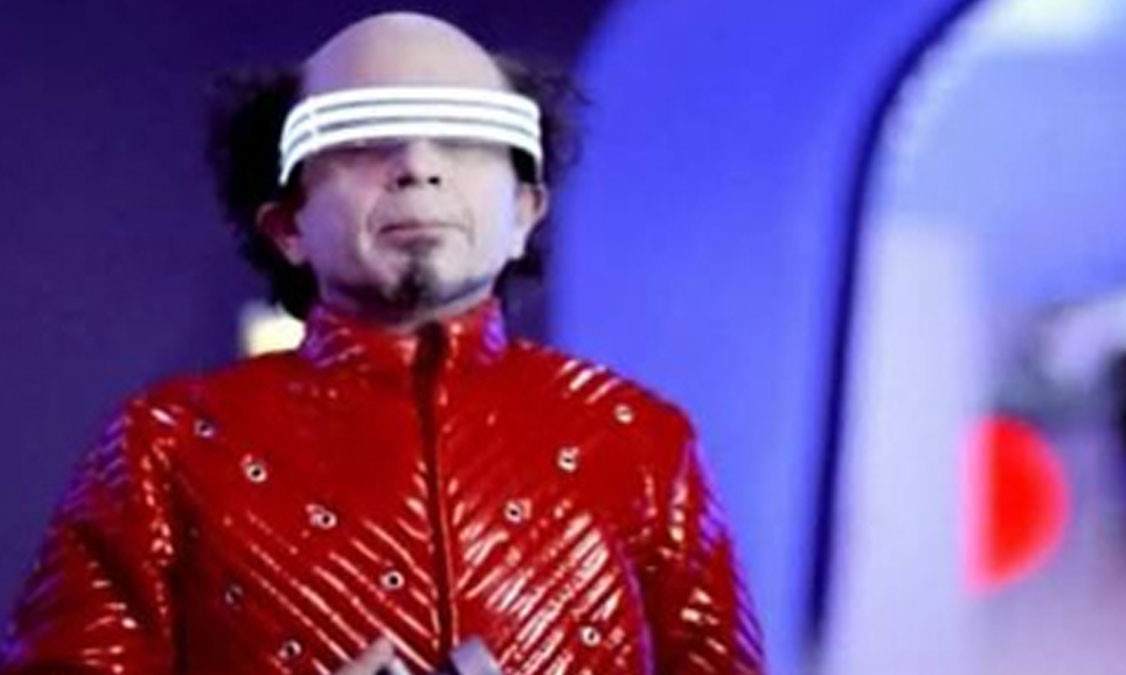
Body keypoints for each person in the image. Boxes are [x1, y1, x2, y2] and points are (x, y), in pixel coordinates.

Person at [0, 12, 763, 675]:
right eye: (363, 139)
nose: (419, 168)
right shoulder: (163, 447)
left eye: (465, 138)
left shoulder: (642, 443)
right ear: (288, 224)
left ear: (526, 212)